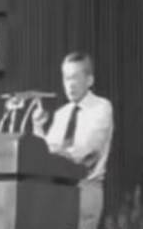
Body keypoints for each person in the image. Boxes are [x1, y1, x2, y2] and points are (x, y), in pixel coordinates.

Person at [32, 51, 114, 229]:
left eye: (75, 77)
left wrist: (56, 151)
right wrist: (38, 128)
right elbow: (45, 155)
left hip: (85, 189)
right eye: (66, 78)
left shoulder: (101, 107)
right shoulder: (61, 114)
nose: (70, 85)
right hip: (58, 191)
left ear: (89, 80)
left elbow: (85, 150)